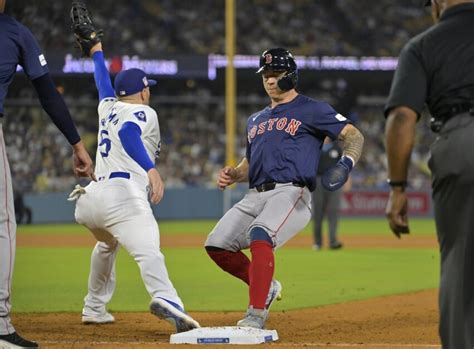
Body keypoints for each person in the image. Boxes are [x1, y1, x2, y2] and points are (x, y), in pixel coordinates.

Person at [204, 48, 364, 329]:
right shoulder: (256, 119)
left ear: (291, 76)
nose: (269, 79)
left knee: (260, 234)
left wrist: (346, 163)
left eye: (275, 74)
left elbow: (354, 135)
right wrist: (235, 173)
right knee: (217, 244)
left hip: (292, 191)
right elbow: (249, 164)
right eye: (265, 74)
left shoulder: (312, 108)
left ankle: (255, 313)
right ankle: (265, 287)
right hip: (255, 193)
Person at [68, 2, 200, 333]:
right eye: (148, 87)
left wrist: (97, 51)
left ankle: (94, 307)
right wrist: (151, 169)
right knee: (148, 250)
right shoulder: (143, 112)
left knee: (106, 244)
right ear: (143, 90)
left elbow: (102, 82)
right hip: (122, 195)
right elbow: (128, 134)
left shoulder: (108, 106)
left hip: (89, 200)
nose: (149, 91)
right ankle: (167, 300)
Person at [0, 1, 95, 347]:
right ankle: (0, 325)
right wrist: (77, 144)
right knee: (3, 224)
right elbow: (47, 94)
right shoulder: (14, 31)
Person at [384, 1, 474, 347]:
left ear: (438, 3)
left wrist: (397, 188)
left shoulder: (423, 45)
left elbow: (402, 118)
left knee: (461, 262)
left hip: (461, 143)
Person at [312, 138, 347, 251]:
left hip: (334, 180)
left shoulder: (336, 148)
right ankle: (317, 243)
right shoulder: (315, 147)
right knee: (318, 212)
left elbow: (343, 165)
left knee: (333, 212)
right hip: (318, 180)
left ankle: (333, 241)